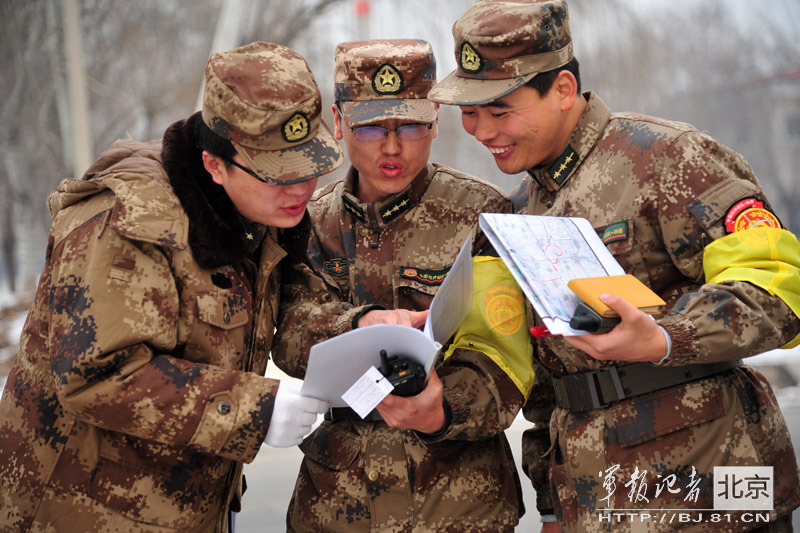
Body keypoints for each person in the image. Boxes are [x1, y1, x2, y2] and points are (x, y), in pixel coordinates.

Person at [428, 1, 800, 531]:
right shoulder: (518, 210)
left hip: (710, 488)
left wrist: (668, 337)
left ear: (560, 90)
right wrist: (551, 500)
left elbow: (777, 289)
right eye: (469, 113)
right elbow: (545, 377)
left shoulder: (666, 158)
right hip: (596, 500)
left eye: (500, 110)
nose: (482, 131)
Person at [0, 42, 342, 533]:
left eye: (310, 167)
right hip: (77, 512)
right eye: (278, 175)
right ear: (214, 164)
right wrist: (255, 409)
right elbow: (95, 375)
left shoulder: (260, 214)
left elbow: (291, 305)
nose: (301, 189)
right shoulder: (130, 222)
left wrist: (363, 328)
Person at [273, 39, 535, 532]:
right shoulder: (307, 224)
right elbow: (288, 332)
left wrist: (442, 409)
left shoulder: (482, 215)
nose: (392, 147)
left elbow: (507, 358)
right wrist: (360, 325)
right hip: (338, 505)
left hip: (459, 501)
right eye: (370, 127)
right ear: (337, 121)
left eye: (411, 126)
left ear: (436, 118)